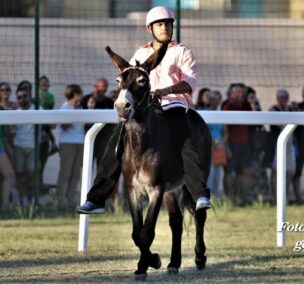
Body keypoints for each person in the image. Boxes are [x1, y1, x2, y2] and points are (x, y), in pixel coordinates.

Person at [76, 6, 211, 214]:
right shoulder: (141, 53)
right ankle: (96, 199)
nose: (165, 27)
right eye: (159, 24)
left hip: (174, 106)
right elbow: (129, 79)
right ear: (150, 28)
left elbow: (190, 84)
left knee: (187, 144)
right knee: (115, 143)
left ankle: (199, 194)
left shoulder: (183, 51)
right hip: (145, 109)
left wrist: (165, 90)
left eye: (168, 24)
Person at [222, 83, 254, 205]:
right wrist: (226, 146)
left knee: (245, 172)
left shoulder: (247, 105)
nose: (241, 94)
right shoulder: (228, 105)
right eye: (238, 91)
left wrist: (252, 103)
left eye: (242, 92)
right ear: (232, 93)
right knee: (229, 172)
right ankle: (229, 199)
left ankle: (241, 198)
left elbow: (256, 120)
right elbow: (224, 126)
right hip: (231, 144)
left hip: (245, 144)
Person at [56, 84, 85, 208]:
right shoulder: (65, 108)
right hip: (68, 143)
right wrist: (75, 114)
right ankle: (60, 199)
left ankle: (71, 198)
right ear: (74, 94)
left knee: (76, 173)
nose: (80, 97)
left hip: (80, 142)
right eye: (79, 94)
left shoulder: (81, 108)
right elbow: (64, 126)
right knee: (65, 172)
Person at [13, 85, 38, 207]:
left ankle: (26, 194)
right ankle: (22, 197)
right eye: (19, 97)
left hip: (33, 146)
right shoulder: (15, 113)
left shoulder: (37, 109)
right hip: (18, 145)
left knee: (31, 171)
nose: (22, 99)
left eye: (24, 96)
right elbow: (10, 131)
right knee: (19, 172)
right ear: (17, 99)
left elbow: (52, 124)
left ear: (29, 96)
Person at [81, 78, 114, 169]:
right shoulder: (86, 99)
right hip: (90, 135)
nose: (103, 89)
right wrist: (90, 107)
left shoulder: (109, 101)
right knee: (88, 163)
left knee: (102, 164)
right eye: (101, 87)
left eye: (105, 87)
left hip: (104, 137)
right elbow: (83, 117)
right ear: (96, 87)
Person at [206, 90, 228, 201]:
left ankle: (218, 198)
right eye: (214, 99)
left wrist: (222, 143)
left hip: (219, 148)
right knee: (210, 174)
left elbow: (225, 133)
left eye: (218, 99)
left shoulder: (221, 113)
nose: (216, 102)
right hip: (207, 149)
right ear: (210, 100)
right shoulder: (205, 112)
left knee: (220, 174)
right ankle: (208, 199)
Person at [38, 75, 58, 189]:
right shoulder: (35, 96)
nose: (44, 86)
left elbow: (49, 104)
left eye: (46, 84)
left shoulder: (49, 96)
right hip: (38, 127)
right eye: (42, 84)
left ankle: (53, 144)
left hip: (45, 125)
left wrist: (40, 95)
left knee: (42, 161)